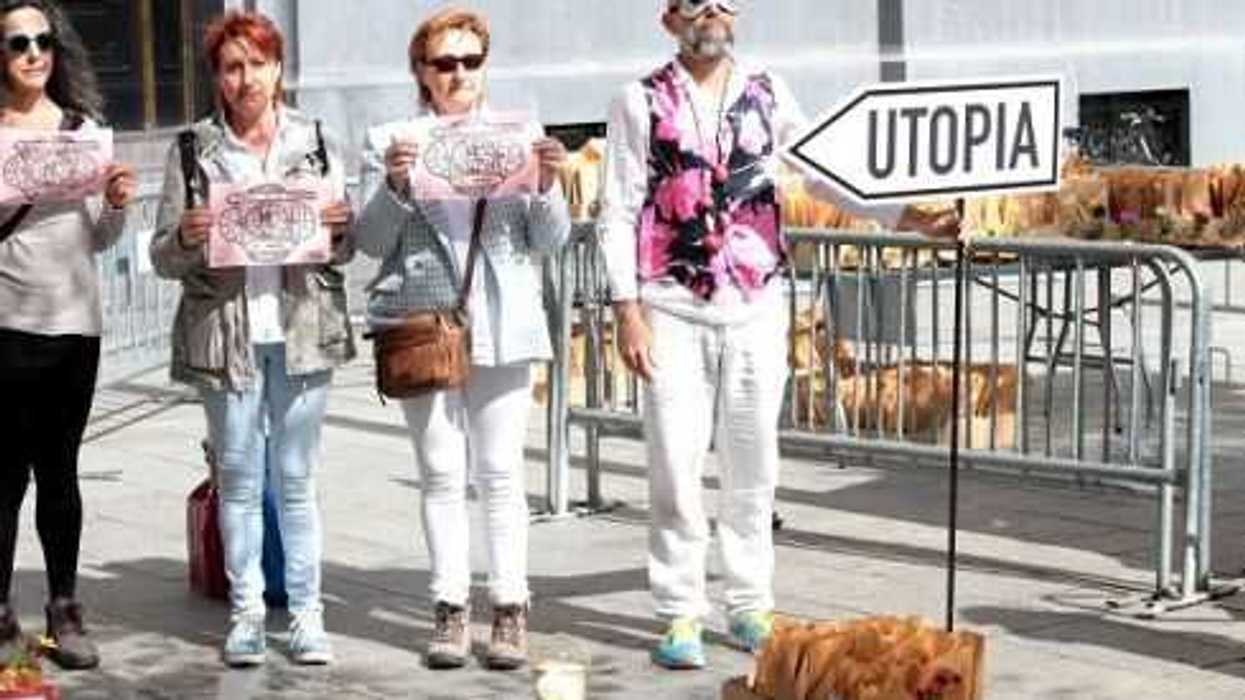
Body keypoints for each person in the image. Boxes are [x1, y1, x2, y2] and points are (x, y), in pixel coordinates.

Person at [598, 0, 959, 670]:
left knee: (753, 461)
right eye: (694, 3)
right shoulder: (638, 99)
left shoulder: (768, 90)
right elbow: (617, 208)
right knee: (675, 466)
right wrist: (625, 309)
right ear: (669, 19)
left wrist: (906, 218)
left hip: (756, 299)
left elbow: (826, 173)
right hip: (671, 302)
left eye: (721, 2)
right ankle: (679, 610)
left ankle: (748, 602)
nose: (710, 13)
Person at [355, 5, 570, 672]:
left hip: (504, 323)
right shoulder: (393, 138)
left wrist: (547, 184)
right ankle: (449, 607)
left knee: (501, 473)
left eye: (469, 61)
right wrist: (392, 185)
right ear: (420, 72)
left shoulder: (517, 134)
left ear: (484, 66)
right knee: (441, 474)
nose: (457, 74)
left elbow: (550, 240)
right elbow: (367, 243)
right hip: (424, 321)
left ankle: (510, 606)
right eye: (442, 63)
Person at [149, 10, 355, 668]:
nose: (247, 79)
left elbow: (341, 249)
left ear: (278, 68)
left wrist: (339, 227)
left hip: (301, 332)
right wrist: (186, 234)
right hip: (225, 338)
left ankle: (307, 615)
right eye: (232, 67)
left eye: (258, 64)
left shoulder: (316, 140)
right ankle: (244, 617)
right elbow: (160, 257)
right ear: (216, 77)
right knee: (238, 482)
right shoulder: (192, 150)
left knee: (295, 481)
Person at [0, 0, 136, 671]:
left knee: (59, 473)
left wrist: (115, 204)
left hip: (74, 326)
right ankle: (0, 612)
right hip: (3, 324)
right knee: (3, 476)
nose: (32, 53)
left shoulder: (85, 132)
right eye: (17, 42)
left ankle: (63, 606)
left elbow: (101, 239)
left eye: (42, 40)